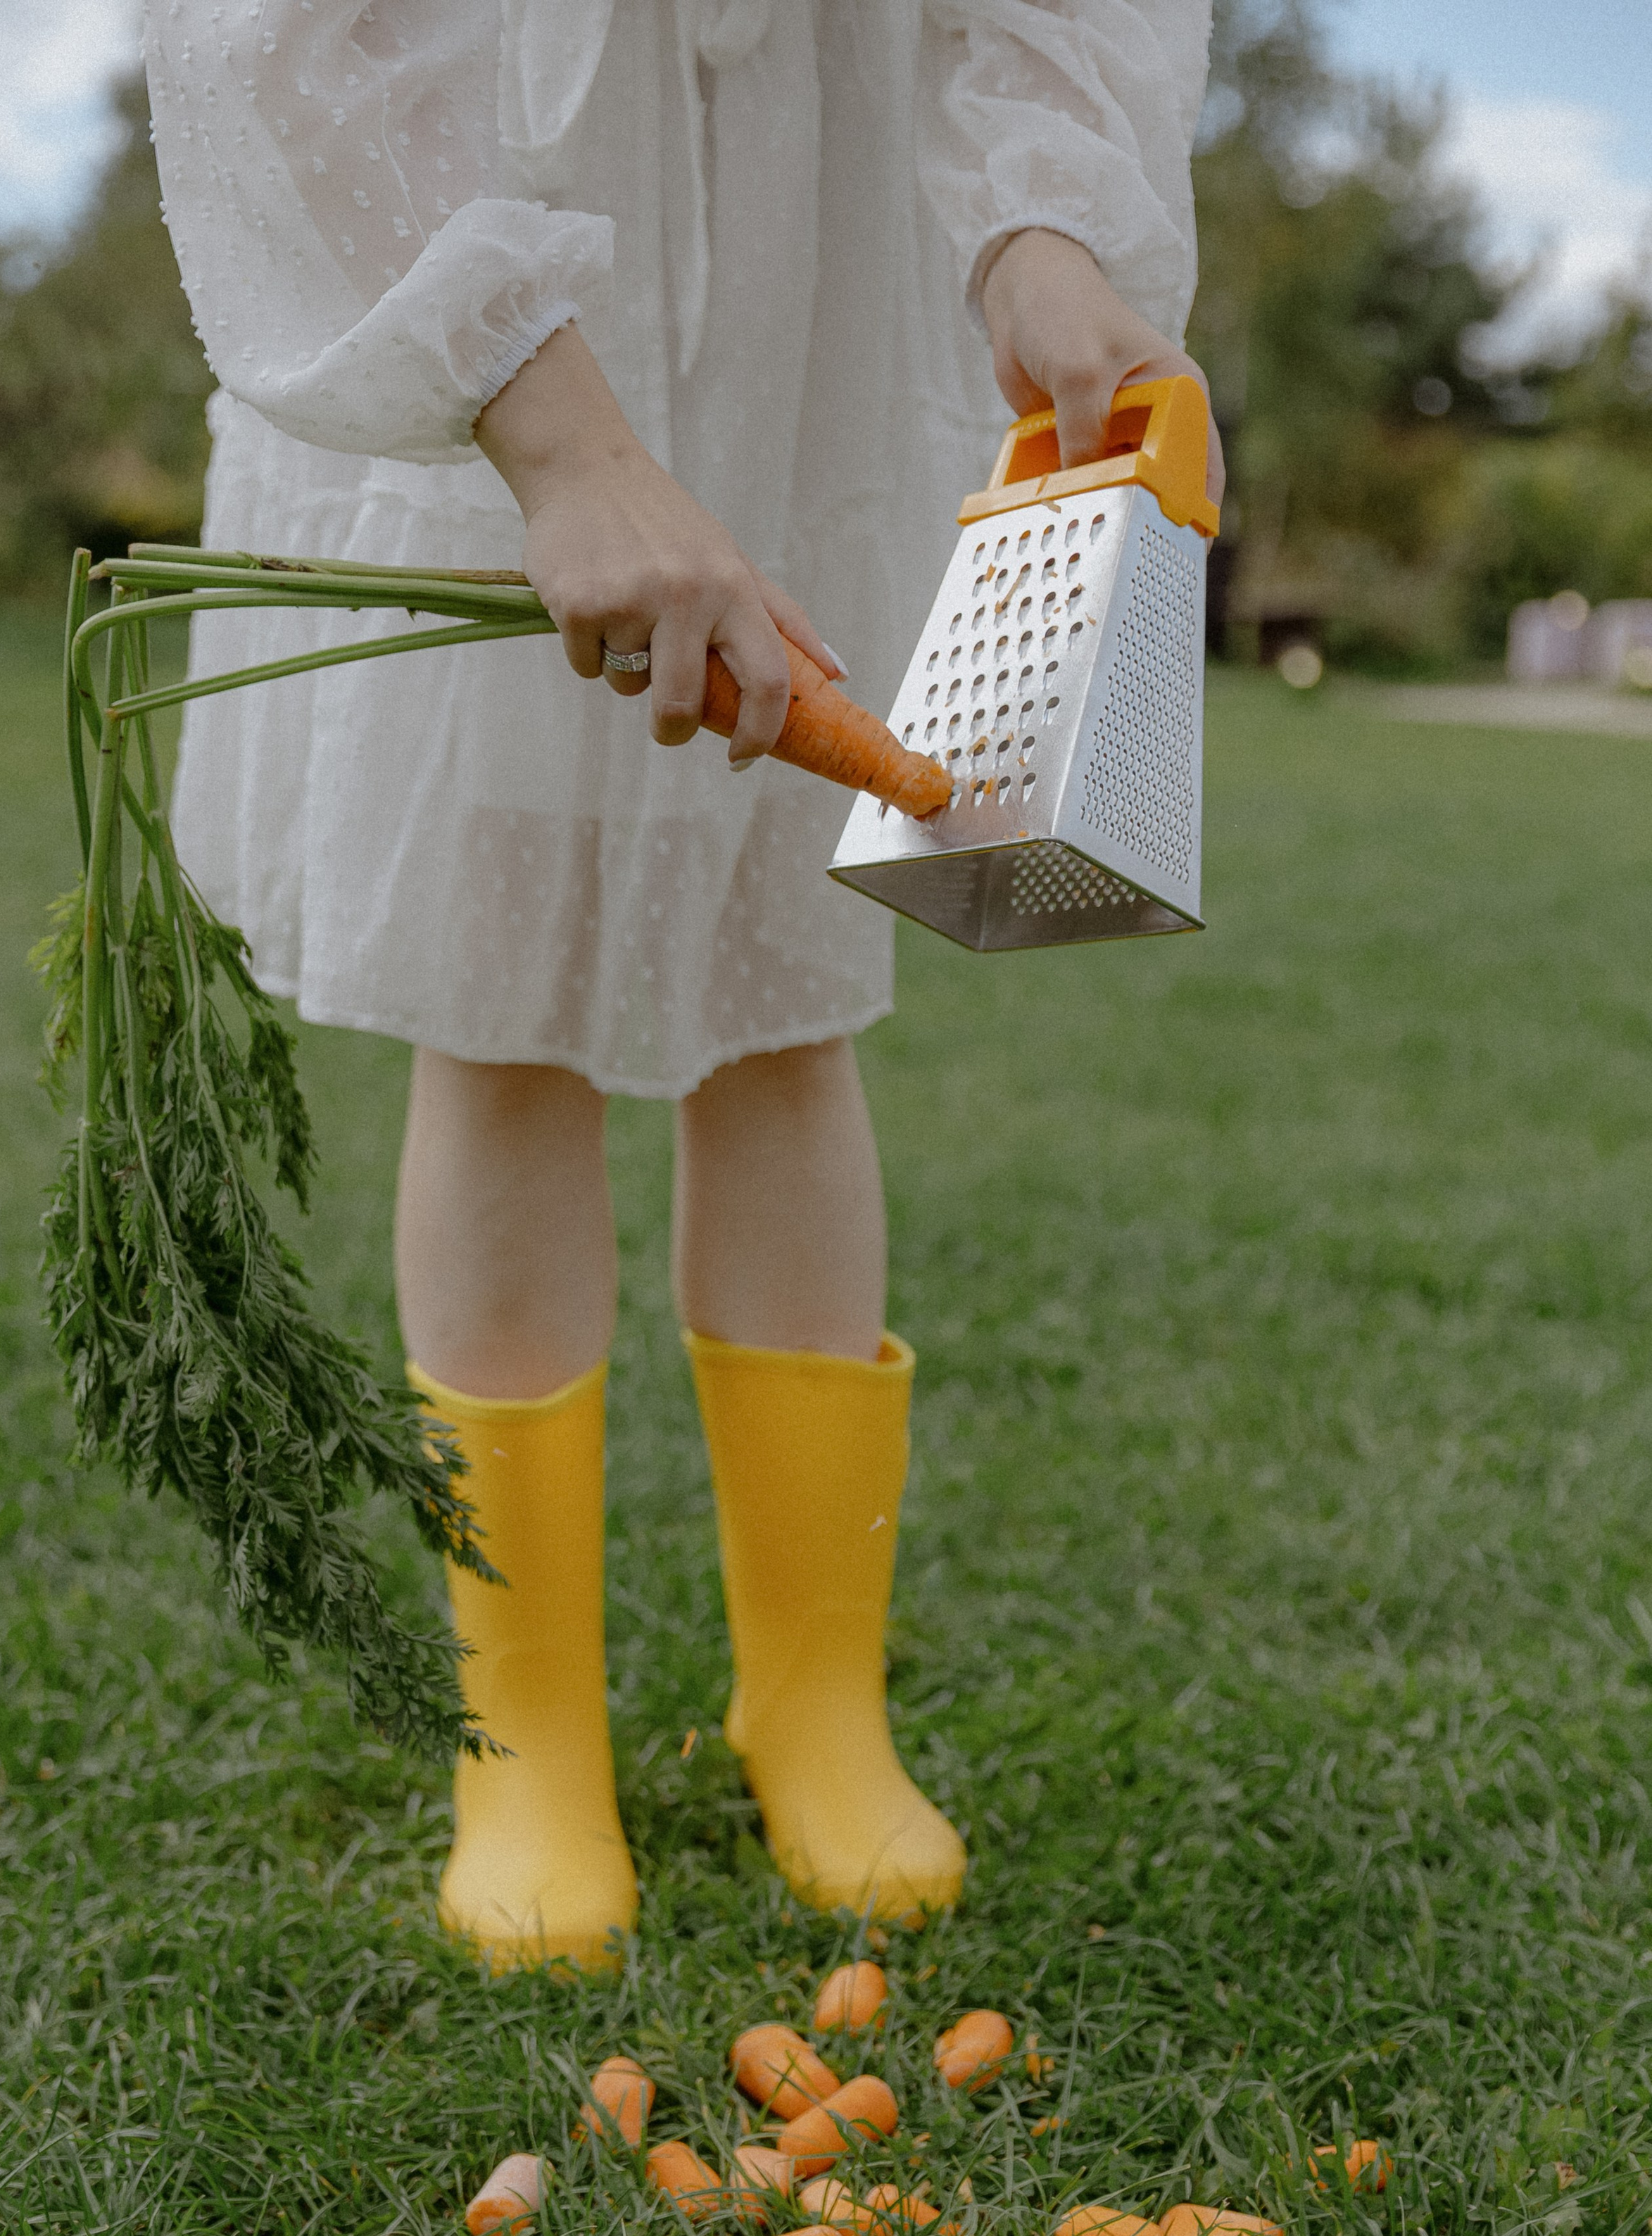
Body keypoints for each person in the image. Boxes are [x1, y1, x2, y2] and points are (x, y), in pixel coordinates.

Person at [145, 0, 1222, 1971]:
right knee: (499, 1016)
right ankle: (527, 1734)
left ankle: (812, 1698)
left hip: (824, 304)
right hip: (500, 229)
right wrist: (547, 433)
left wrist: (1042, 227)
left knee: (791, 1006)